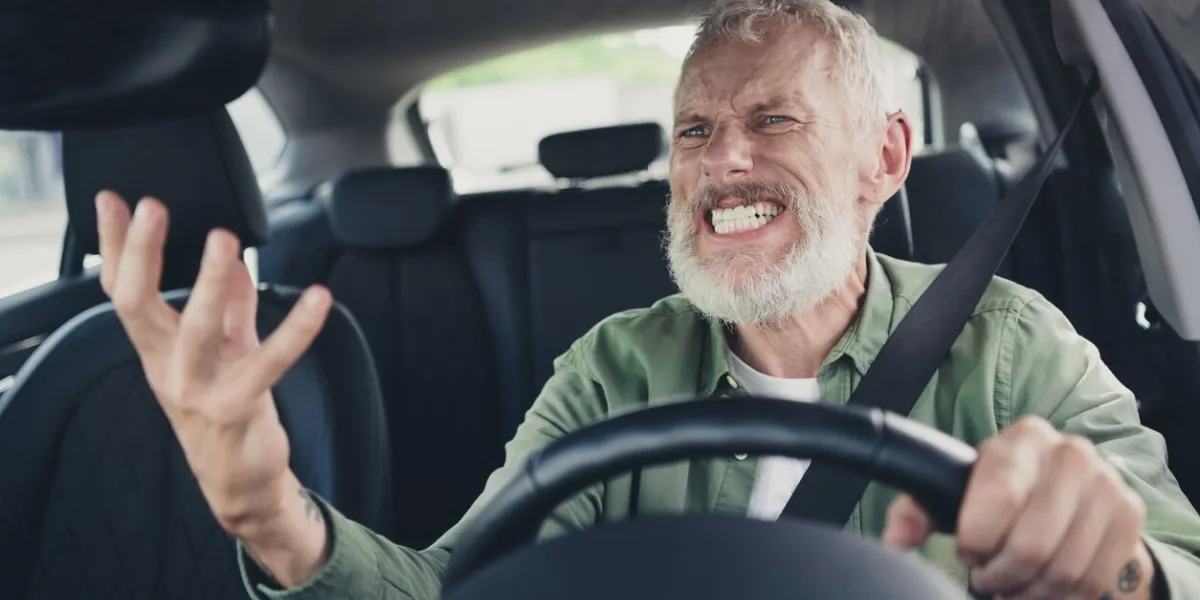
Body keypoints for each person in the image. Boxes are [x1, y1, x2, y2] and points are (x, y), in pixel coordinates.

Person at [93, 0, 1200, 598]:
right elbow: (458, 591)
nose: (722, 162)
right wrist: (272, 516)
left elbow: (1171, 563)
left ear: (885, 159)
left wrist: (1117, 572)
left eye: (773, 120)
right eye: (696, 130)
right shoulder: (612, 370)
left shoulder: (1012, 346)